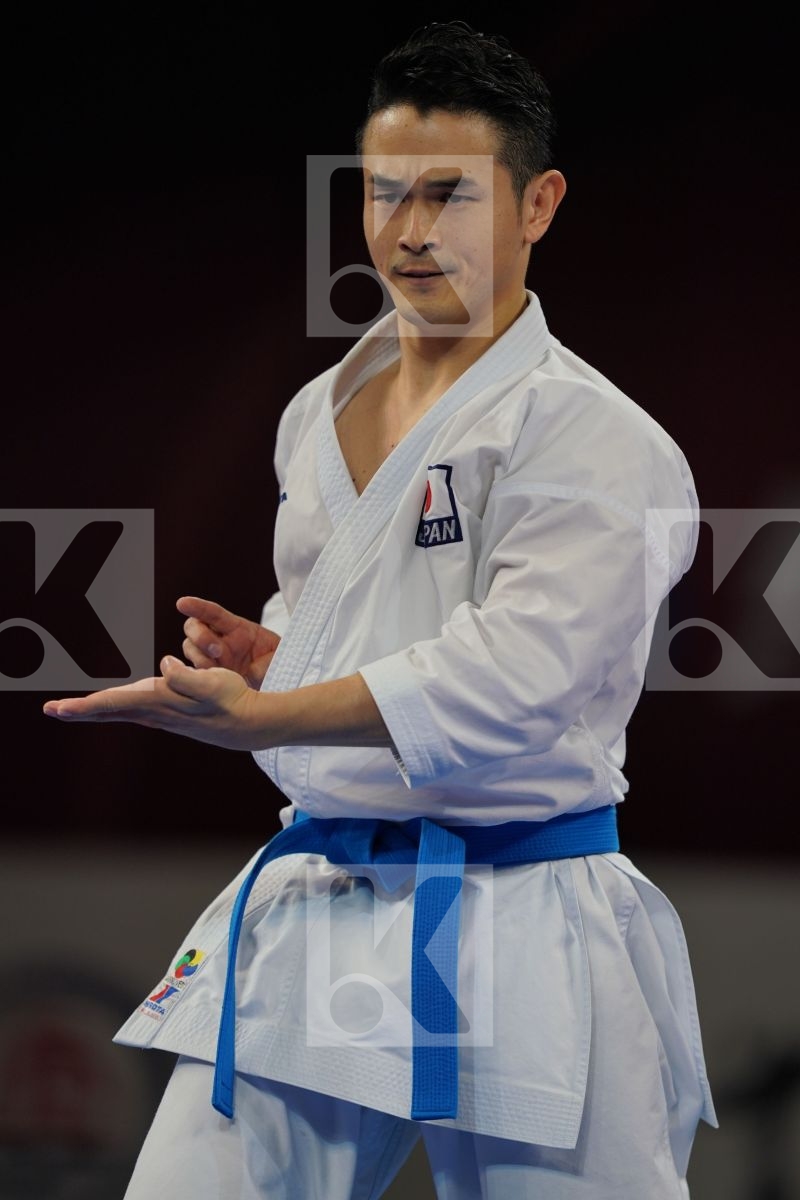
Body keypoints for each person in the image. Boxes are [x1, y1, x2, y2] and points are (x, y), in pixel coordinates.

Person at [43, 19, 717, 1199]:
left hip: (523, 908)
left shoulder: (594, 438)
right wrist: (280, 656)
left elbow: (512, 679)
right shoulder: (319, 407)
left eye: (449, 195)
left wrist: (271, 714)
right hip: (323, 893)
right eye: (382, 195)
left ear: (537, 204)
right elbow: (357, 609)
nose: (409, 232)